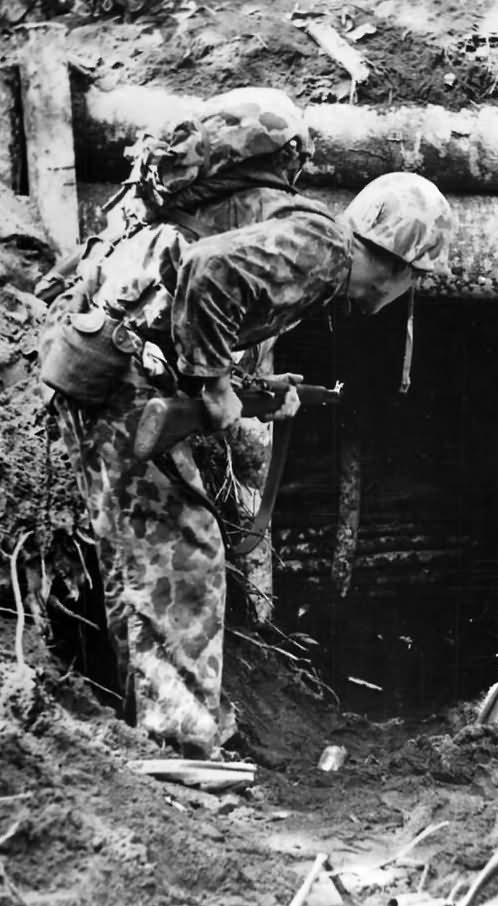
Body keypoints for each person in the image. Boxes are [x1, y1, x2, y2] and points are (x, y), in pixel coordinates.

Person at [38, 87, 454, 757]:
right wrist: (210, 383)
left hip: (104, 369)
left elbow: (200, 292)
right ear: (404, 268)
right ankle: (180, 747)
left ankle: (148, 732)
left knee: (141, 556)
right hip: (126, 381)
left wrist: (254, 389)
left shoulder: (292, 235)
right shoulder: (322, 247)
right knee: (185, 555)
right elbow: (205, 274)